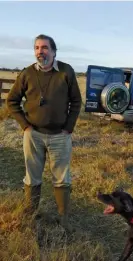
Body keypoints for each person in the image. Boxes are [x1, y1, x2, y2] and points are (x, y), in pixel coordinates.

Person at [6, 34, 82, 233]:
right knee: (32, 177)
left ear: (54, 51)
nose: (41, 51)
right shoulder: (27, 74)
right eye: (37, 48)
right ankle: (31, 213)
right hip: (34, 135)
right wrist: (25, 126)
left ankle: (63, 218)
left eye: (45, 47)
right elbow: (12, 101)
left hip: (60, 135)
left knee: (62, 178)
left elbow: (76, 102)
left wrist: (69, 128)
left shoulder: (66, 71)